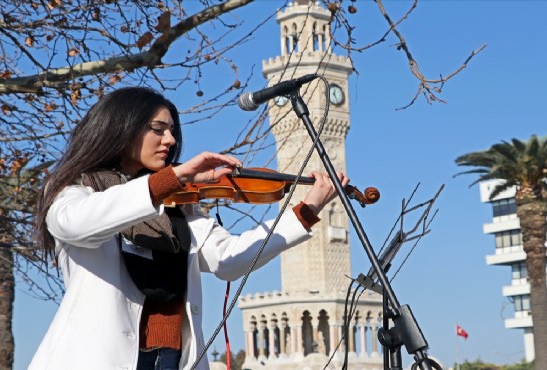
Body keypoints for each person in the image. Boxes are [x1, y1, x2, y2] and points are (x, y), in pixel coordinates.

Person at [30, 86, 348, 370]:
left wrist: (306, 211)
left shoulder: (174, 204)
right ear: (121, 130)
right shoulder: (74, 190)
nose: (170, 140)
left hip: (173, 357)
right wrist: (172, 179)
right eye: (157, 129)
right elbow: (77, 225)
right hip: (98, 357)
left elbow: (228, 259)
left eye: (171, 131)